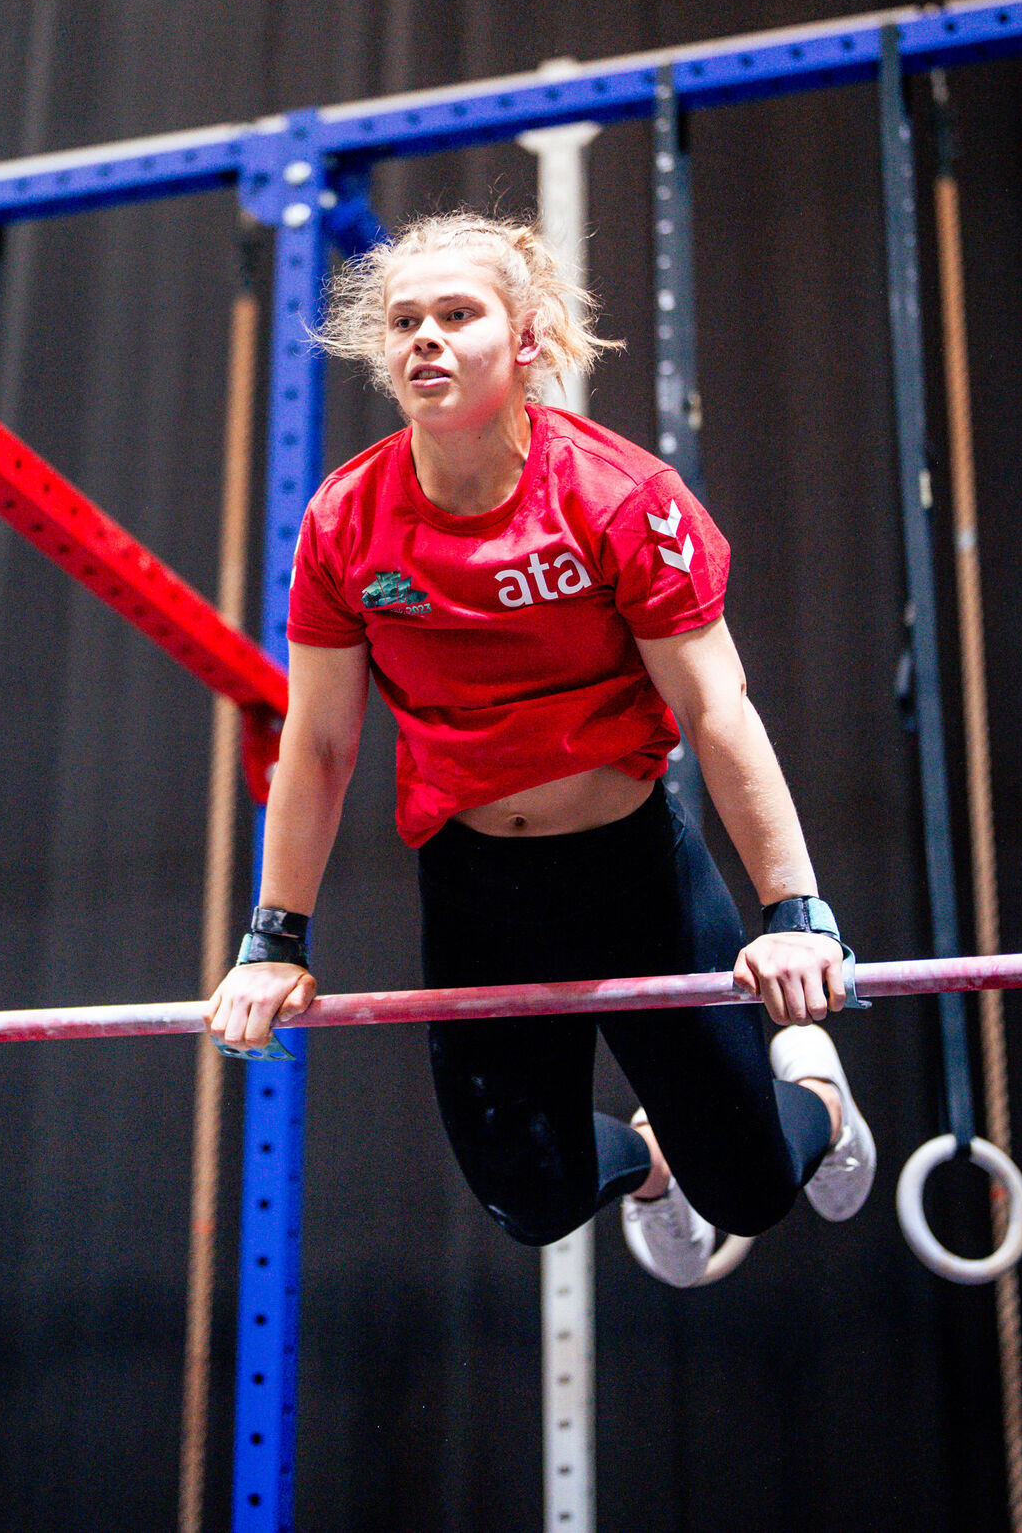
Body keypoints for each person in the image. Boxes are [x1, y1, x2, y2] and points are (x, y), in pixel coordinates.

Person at [206, 211, 874, 1284]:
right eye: (403, 321)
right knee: (534, 1199)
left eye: (455, 315)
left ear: (524, 342)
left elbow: (716, 708)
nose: (423, 337)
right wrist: (270, 940)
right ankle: (646, 1166)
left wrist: (794, 915)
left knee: (750, 1189)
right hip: (478, 885)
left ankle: (816, 1096)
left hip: (631, 866)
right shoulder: (344, 520)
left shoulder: (619, 499)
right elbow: (320, 744)